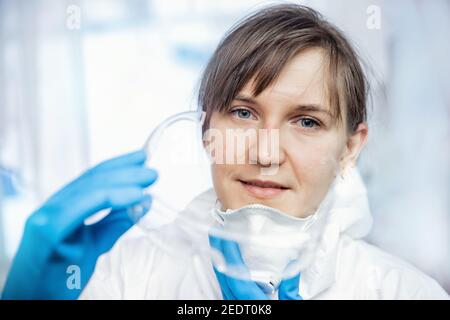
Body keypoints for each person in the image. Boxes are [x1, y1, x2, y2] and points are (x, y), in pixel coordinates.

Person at [2, 4, 448, 300]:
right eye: (243, 113)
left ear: (351, 147)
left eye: (307, 121)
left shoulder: (403, 292)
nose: (266, 154)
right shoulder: (120, 278)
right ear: (205, 130)